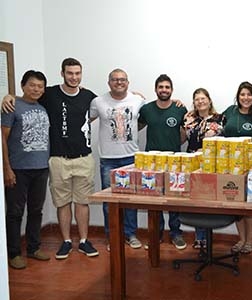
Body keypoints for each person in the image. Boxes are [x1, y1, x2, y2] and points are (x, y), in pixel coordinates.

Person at [2, 58, 100, 260]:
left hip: (83, 158)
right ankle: (65, 241)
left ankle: (83, 241)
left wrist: (136, 96)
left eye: (77, 73)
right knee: (62, 202)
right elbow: (27, 97)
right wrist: (8, 96)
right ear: (62, 73)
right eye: (70, 73)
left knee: (81, 202)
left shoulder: (89, 96)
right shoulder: (50, 94)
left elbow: (109, 104)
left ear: (81, 74)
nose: (74, 77)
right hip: (56, 160)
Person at [89, 68, 145, 251]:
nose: (119, 82)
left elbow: (147, 117)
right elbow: (84, 119)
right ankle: (112, 236)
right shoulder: (98, 102)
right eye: (115, 79)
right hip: (108, 159)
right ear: (109, 82)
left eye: (122, 80)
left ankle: (130, 234)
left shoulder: (138, 100)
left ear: (128, 82)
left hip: (131, 157)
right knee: (110, 202)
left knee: (131, 200)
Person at [2, 70, 50, 269]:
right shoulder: (11, 106)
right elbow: (2, 139)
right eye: (32, 85)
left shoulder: (43, 108)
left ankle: (33, 247)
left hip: (41, 168)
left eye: (40, 86)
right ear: (23, 86)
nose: (36, 89)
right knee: (14, 212)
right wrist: (6, 168)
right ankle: (13, 253)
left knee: (36, 210)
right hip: (18, 169)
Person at [138, 74, 188, 250]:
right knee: (154, 201)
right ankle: (155, 235)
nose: (164, 90)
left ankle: (176, 234)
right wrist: (135, 99)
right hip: (152, 163)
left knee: (174, 200)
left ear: (171, 90)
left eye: (167, 87)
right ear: (155, 89)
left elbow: (185, 132)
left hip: (175, 163)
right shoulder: (146, 110)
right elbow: (135, 126)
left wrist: (175, 145)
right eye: (161, 87)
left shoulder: (180, 109)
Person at [222, 81, 252, 254]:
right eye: (242, 94)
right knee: (235, 203)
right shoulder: (229, 112)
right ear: (238, 96)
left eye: (249, 95)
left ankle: (251, 240)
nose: (246, 98)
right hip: (230, 167)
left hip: (251, 168)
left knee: (249, 205)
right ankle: (241, 239)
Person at [184, 87, 225, 248]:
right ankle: (199, 237)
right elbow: (182, 139)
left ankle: (208, 237)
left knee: (208, 201)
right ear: (193, 102)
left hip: (211, 164)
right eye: (197, 99)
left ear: (209, 100)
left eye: (203, 98)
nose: (200, 101)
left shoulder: (220, 118)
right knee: (195, 201)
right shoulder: (188, 118)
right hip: (192, 163)